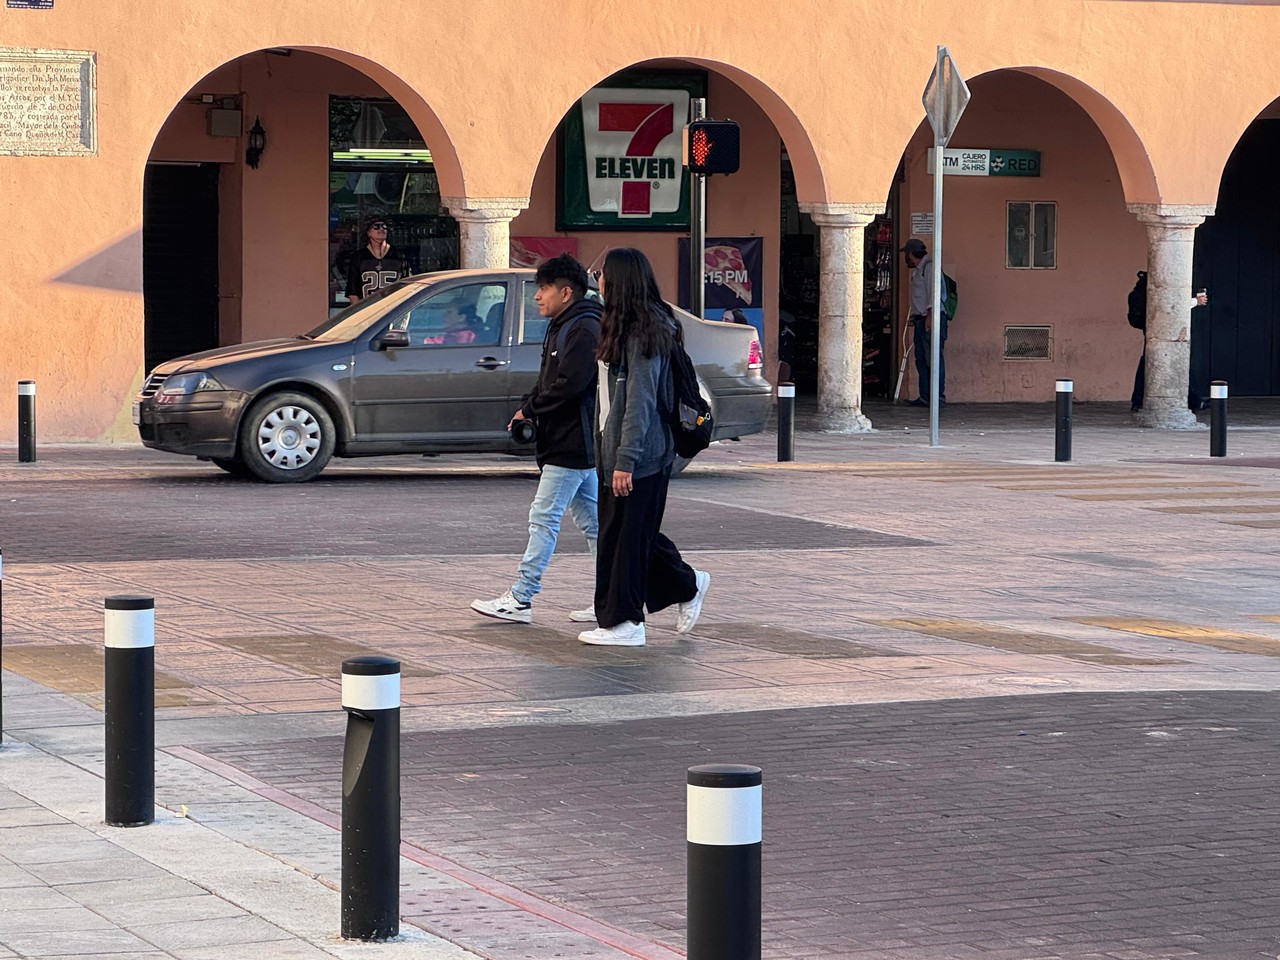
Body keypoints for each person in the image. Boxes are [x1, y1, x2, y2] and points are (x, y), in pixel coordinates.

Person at [577, 248, 711, 647]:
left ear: (618, 281)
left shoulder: (646, 331)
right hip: (616, 450)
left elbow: (641, 402)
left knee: (627, 540)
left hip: (642, 455)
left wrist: (625, 461)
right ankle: (686, 585)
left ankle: (625, 623)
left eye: (601, 274)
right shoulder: (624, 325)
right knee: (627, 535)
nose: (596, 281)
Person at [471, 255, 602, 624]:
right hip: (568, 440)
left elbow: (572, 384)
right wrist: (527, 407)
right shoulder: (564, 324)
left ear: (566, 291)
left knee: (543, 518)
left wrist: (535, 408)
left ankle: (521, 597)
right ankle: (614, 596)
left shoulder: (583, 328)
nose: (537, 297)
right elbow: (550, 378)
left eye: (543, 289)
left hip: (572, 441)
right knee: (596, 525)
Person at [1129, 275, 1210, 413]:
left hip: (1151, 328)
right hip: (1163, 328)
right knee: (1174, 362)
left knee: (1148, 363)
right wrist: (1195, 301)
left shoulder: (1139, 292)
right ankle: (1190, 400)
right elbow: (1171, 306)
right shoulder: (1156, 292)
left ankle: (1138, 401)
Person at [901, 237, 947, 407]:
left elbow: (934, 295)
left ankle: (937, 397)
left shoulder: (929, 268)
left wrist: (929, 317)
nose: (907, 258)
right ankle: (925, 396)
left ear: (911, 254)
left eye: (907, 254)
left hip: (931, 318)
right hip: (921, 318)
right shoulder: (919, 269)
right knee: (921, 359)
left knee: (933, 358)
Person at [345, 216, 410, 305]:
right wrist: (359, 312)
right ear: (368, 233)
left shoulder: (398, 256)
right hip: (368, 308)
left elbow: (406, 285)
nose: (381, 229)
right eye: (376, 227)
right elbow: (352, 291)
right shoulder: (359, 257)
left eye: (384, 227)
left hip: (392, 309)